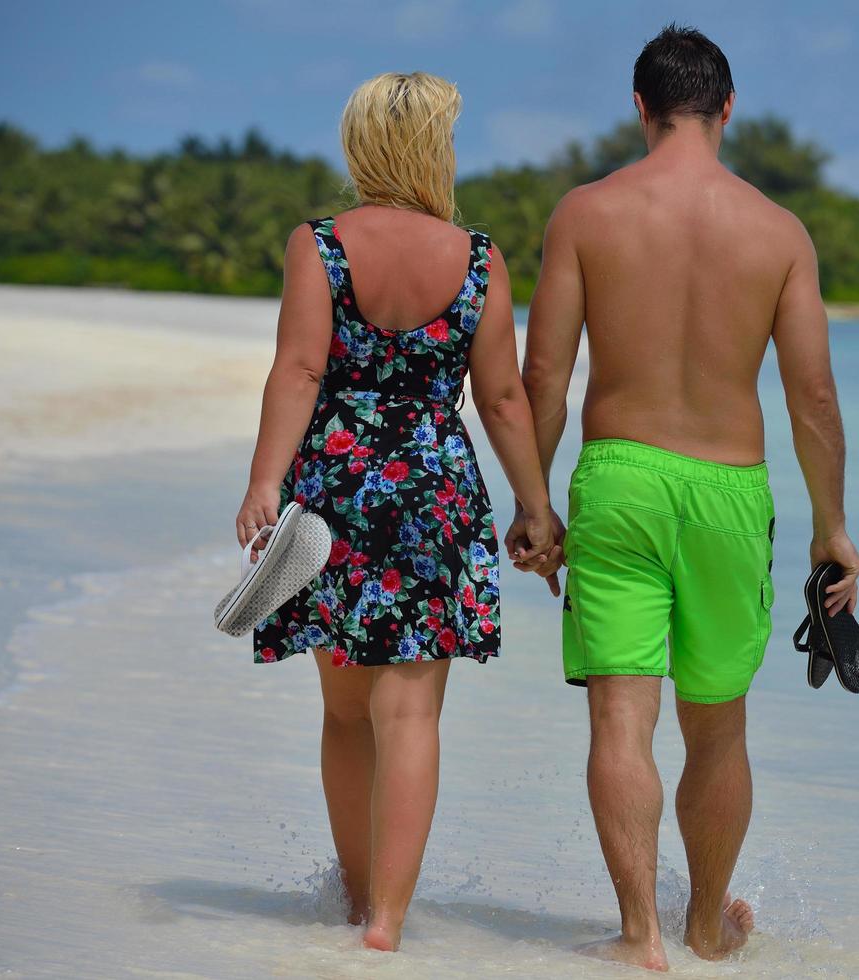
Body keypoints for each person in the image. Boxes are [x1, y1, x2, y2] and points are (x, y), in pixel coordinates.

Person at [508, 24, 859, 972]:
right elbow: (813, 397)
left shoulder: (586, 213)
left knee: (622, 717)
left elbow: (543, 372)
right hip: (729, 492)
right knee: (718, 723)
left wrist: (534, 505)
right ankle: (706, 929)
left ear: (639, 107)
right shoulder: (779, 231)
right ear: (728, 108)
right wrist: (832, 530)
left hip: (618, 477)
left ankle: (640, 936)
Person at [235, 71, 559, 952]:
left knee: (345, 716)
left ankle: (349, 897)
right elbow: (499, 398)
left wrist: (265, 483)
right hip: (436, 495)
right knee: (410, 717)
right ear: (430, 150)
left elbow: (300, 371)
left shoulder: (321, 244)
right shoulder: (479, 256)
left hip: (336, 493)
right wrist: (535, 509)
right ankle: (386, 922)